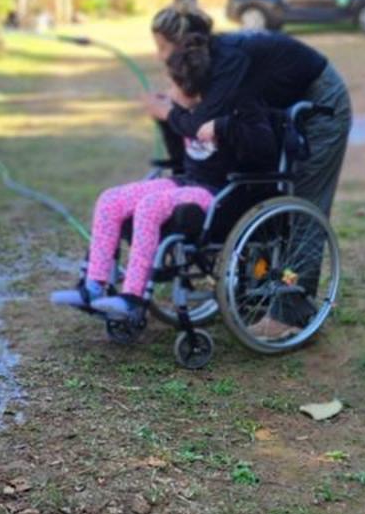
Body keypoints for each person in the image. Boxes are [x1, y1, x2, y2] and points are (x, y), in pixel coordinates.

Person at [51, 39, 280, 327]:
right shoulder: (186, 111)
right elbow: (179, 157)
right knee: (111, 199)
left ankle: (133, 299)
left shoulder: (238, 104)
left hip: (220, 193)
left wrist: (222, 127)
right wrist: (165, 119)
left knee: (151, 205)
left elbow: (264, 147)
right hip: (187, 181)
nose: (170, 92)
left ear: (194, 88)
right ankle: (93, 285)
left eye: (174, 86)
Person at [147, 3, 352, 229]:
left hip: (320, 96)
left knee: (304, 194)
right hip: (280, 98)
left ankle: (298, 265)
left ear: (183, 45)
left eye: (162, 47)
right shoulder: (207, 63)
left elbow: (201, 126)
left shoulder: (229, 61)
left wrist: (168, 113)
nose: (158, 57)